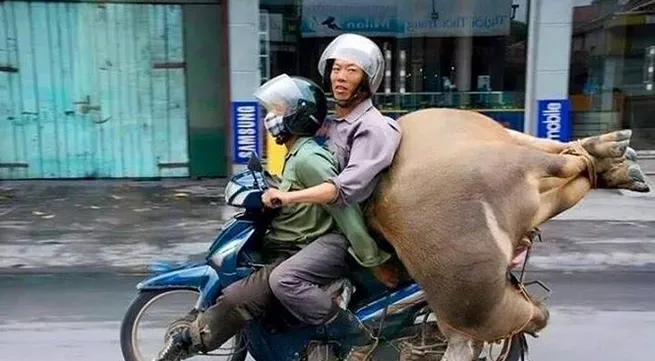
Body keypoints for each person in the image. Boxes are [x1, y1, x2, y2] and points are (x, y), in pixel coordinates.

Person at [154, 74, 384, 361]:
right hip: (290, 246)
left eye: (278, 111)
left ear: (298, 117)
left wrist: (370, 256)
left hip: (307, 248)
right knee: (245, 291)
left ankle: (187, 342)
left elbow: (341, 202)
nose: (270, 117)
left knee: (245, 296)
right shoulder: (294, 155)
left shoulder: (308, 158)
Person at [262, 33, 402, 290]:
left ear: (366, 80)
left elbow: (342, 192)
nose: (340, 76)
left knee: (284, 281)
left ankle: (346, 329)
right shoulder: (334, 124)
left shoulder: (373, 128)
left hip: (354, 233)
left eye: (351, 70)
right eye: (336, 68)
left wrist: (289, 198)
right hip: (329, 225)